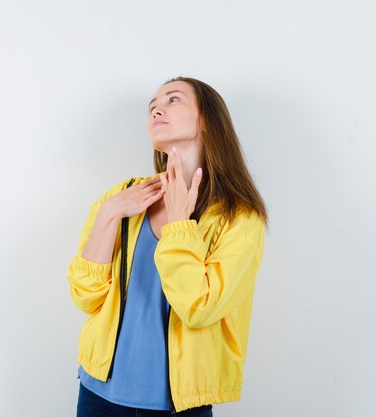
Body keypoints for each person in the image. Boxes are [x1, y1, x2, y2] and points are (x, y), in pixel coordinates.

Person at [67, 76, 269, 416]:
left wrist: (179, 227)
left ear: (207, 119)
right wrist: (110, 214)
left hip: (179, 405)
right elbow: (85, 297)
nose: (157, 109)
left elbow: (200, 307)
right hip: (98, 393)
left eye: (173, 100)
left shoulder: (239, 217)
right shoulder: (123, 196)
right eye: (152, 107)